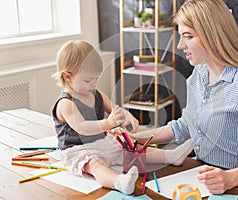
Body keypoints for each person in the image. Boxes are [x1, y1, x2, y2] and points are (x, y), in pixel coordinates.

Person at [117, 0, 238, 194]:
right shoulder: (198, 75)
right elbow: (184, 126)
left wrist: (230, 178)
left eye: (188, 36)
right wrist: (136, 138)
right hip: (204, 180)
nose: (180, 45)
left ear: (212, 35)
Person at [51, 40, 194, 194]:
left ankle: (169, 156)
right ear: (67, 77)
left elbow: (115, 109)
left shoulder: (97, 95)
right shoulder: (65, 103)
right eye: (88, 80)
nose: (94, 84)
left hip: (100, 141)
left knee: (131, 148)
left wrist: (127, 115)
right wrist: (108, 123)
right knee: (95, 164)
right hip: (77, 149)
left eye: (96, 78)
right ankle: (118, 182)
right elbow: (82, 127)